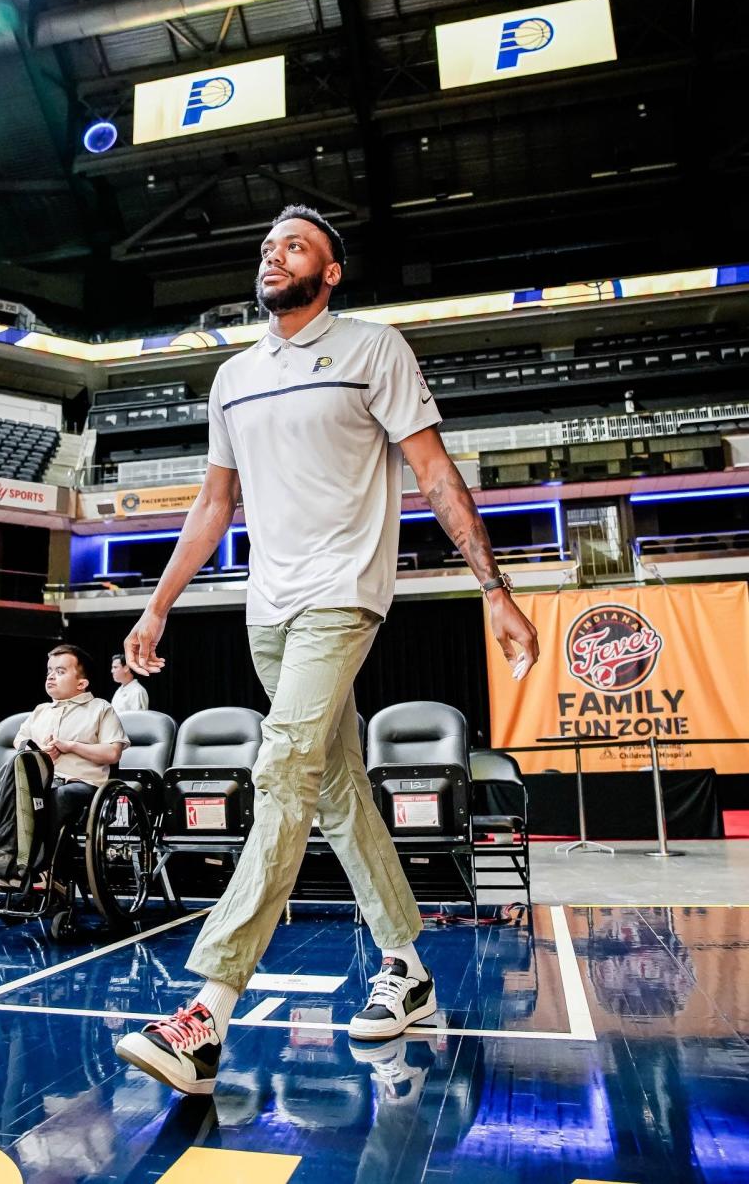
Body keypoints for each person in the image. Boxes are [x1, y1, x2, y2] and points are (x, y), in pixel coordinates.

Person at [115, 204, 540, 1097]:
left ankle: (208, 1011)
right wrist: (155, 608)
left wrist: (494, 590)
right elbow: (211, 507)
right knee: (340, 789)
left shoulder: (374, 350)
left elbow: (432, 471)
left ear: (331, 270)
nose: (276, 255)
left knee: (283, 771)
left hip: (343, 599)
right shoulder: (232, 377)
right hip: (264, 612)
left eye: (296, 245)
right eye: (267, 245)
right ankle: (407, 966)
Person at [0, 643, 128, 889]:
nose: (51, 676)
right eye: (50, 670)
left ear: (81, 683)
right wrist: (40, 754)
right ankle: (6, 865)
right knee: (13, 785)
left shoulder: (101, 708)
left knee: (57, 796)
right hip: (40, 784)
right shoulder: (40, 711)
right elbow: (21, 743)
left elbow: (112, 753)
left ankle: (44, 870)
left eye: (60, 672)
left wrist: (70, 746)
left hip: (82, 786)